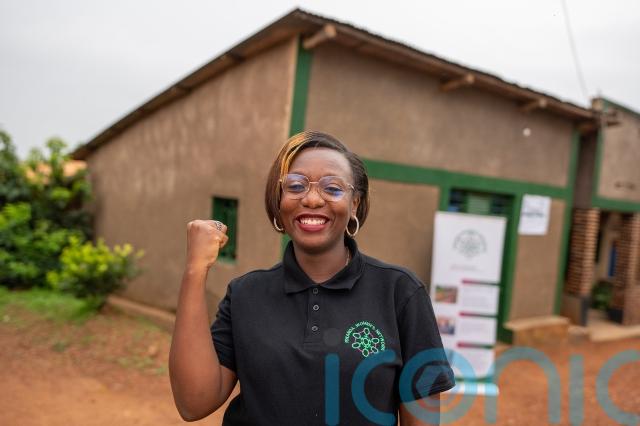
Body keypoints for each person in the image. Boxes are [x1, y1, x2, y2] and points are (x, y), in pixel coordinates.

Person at [169, 131, 455, 425]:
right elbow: (193, 403)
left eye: (333, 188)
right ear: (279, 201)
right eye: (295, 186)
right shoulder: (245, 294)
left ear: (355, 204)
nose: (312, 199)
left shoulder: (400, 293)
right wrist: (195, 269)